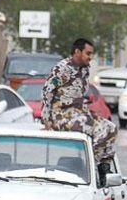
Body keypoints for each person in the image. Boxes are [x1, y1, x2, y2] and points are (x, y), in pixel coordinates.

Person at [41, 38, 117, 172]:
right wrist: (46, 120)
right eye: (88, 53)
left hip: (79, 112)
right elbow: (47, 92)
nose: (90, 57)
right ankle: (90, 167)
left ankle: (103, 165)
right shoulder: (62, 68)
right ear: (77, 52)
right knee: (98, 131)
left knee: (111, 128)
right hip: (62, 115)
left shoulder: (85, 69)